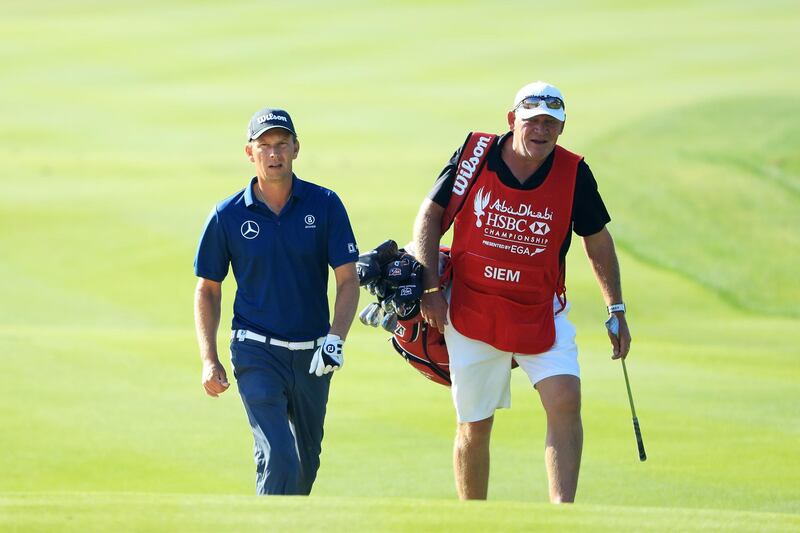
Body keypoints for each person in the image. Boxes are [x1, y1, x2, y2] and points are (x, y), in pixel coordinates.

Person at [412, 81, 631, 503]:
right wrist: (430, 287)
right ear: (513, 120)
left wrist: (615, 306)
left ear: (562, 129)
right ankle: (475, 520)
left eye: (551, 123)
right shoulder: (476, 154)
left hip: (539, 309)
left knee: (565, 398)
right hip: (472, 309)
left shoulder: (573, 173)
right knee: (475, 425)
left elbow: (597, 238)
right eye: (533, 122)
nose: (542, 131)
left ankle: (562, 516)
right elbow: (430, 214)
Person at [193, 107, 360, 495]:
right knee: (280, 456)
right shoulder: (227, 215)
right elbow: (208, 289)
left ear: (296, 149)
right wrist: (209, 357)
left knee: (304, 466)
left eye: (281, 144)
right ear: (249, 153)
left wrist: (337, 337)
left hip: (313, 355)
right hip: (255, 351)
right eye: (264, 145)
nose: (273, 153)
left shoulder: (325, 204)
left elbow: (348, 279)